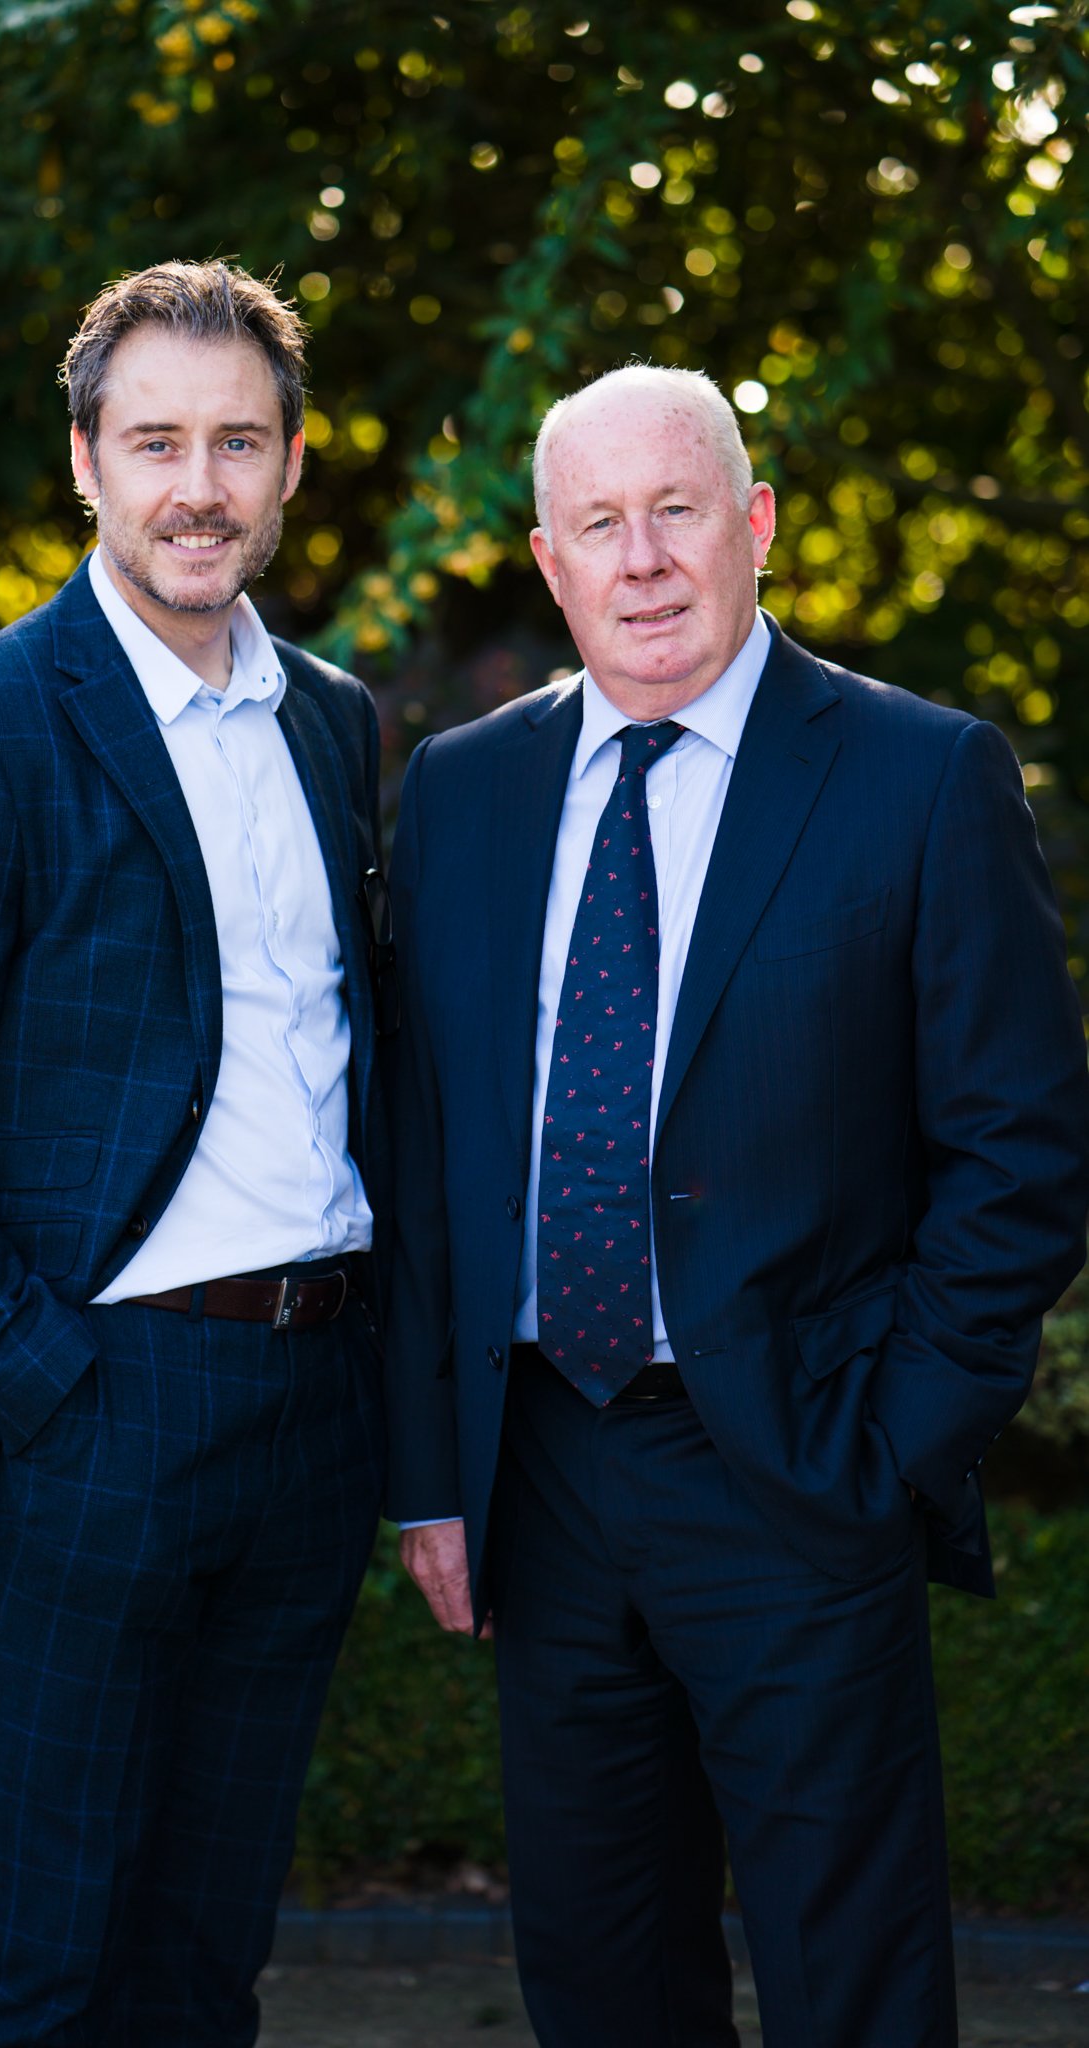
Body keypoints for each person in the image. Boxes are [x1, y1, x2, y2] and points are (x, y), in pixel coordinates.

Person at [385, 363, 1089, 2047]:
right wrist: (430, 1474)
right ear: (547, 562)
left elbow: (1022, 1152)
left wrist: (889, 1437)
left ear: (753, 523)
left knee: (851, 1982)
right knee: (601, 1974)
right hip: (541, 1471)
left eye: (675, 510)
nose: (640, 561)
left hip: (796, 1461)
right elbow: (421, 1148)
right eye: (597, 525)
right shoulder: (464, 792)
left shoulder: (918, 778)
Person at [0, 259, 389, 2048]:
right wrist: (45, 1381)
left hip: (308, 1411)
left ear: (292, 466)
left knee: (209, 1957)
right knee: (50, 1955)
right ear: (86, 460)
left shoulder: (338, 726)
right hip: (92, 1408)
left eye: (237, 442)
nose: (197, 485)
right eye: (157, 442)